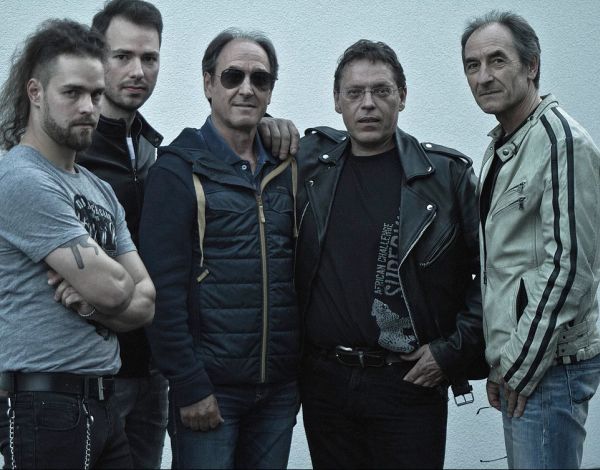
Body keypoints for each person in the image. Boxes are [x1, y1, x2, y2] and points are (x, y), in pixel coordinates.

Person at [293, 39, 486, 469]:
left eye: (381, 90)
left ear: (402, 96)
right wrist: (274, 124)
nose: (368, 104)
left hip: (409, 382)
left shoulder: (446, 177)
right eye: (354, 92)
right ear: (337, 101)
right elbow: (248, 129)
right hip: (325, 383)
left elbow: (492, 275)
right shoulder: (309, 167)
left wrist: (451, 352)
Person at [139, 29, 300, 469]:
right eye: (233, 76)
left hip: (279, 391)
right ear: (209, 83)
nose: (247, 88)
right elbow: (161, 290)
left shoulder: (289, 167)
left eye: (260, 79)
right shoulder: (177, 170)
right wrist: (188, 383)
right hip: (210, 391)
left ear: (271, 91)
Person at [0, 19, 155, 469]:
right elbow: (117, 288)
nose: (88, 107)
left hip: (103, 400)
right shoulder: (22, 179)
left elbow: (146, 301)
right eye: (72, 93)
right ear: (35, 93)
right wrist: (108, 291)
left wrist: (90, 305)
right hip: (43, 405)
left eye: (96, 94)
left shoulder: (98, 189)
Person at [461, 11, 600, 469]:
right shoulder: (505, 144)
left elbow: (570, 268)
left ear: (532, 65)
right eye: (473, 65)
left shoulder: (561, 141)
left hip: (549, 368)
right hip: (524, 363)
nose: (483, 76)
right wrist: (500, 363)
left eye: (497, 60)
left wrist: (517, 368)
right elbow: (508, 266)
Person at [76, 1, 167, 467]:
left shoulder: (155, 148)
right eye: (123, 56)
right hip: (86, 376)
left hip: (151, 372)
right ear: (97, 57)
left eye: (149, 58)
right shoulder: (70, 151)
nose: (138, 71)